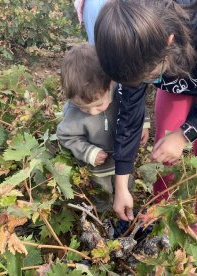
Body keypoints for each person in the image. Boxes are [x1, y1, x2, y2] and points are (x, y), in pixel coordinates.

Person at [94, 0, 197, 233]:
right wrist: (121, 183)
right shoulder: (133, 34)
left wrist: (186, 133)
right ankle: (159, 210)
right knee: (164, 148)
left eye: (148, 77)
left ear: (167, 40)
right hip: (174, 84)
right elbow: (129, 112)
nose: (143, 84)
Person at [57, 44, 150, 212]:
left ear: (111, 84)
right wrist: (88, 152)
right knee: (102, 194)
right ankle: (103, 217)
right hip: (98, 167)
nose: (92, 112)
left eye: (98, 105)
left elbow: (136, 107)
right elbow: (65, 136)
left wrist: (143, 124)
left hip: (123, 156)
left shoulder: (122, 91)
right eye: (83, 108)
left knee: (126, 184)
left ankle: (125, 206)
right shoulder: (72, 115)